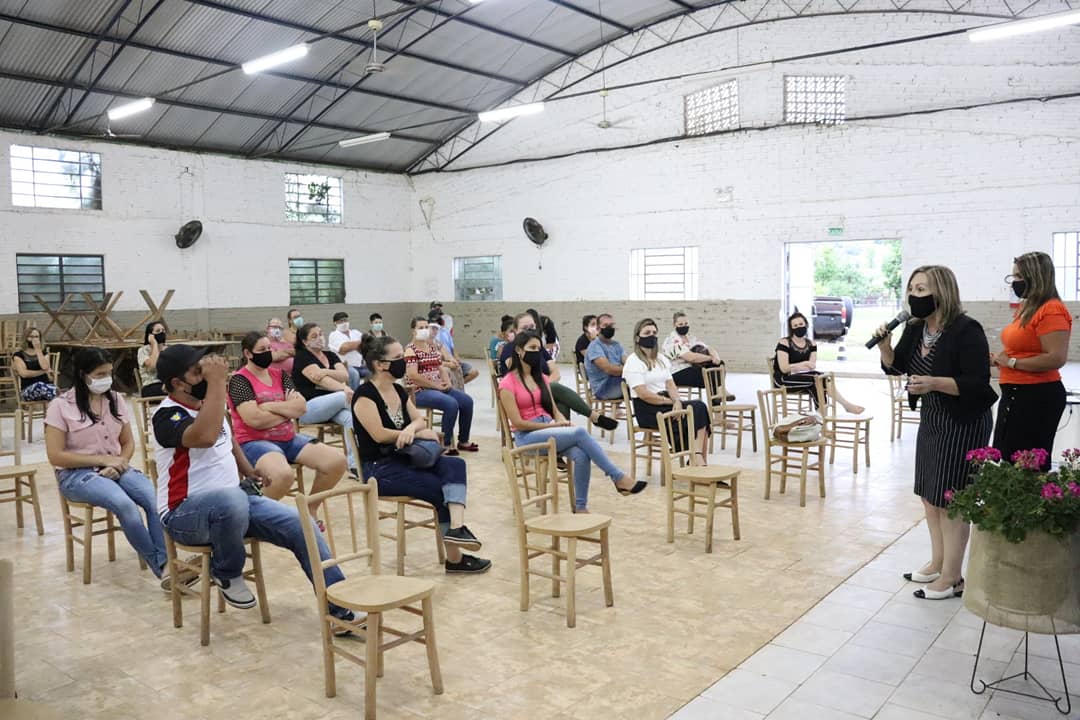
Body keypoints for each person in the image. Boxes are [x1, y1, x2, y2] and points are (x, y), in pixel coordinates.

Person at [152, 344, 366, 629]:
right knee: (232, 499)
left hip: (232, 508)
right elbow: (204, 436)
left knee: (301, 524)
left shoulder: (211, 406)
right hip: (184, 513)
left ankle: (339, 611)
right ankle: (226, 571)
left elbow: (229, 440)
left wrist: (248, 470)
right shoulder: (166, 416)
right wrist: (217, 383)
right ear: (178, 383)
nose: (207, 373)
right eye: (198, 371)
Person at [875, 265, 997, 600]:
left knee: (951, 498)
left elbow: (977, 382)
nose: (914, 296)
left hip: (964, 420)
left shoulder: (965, 329)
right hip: (933, 417)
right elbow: (897, 365)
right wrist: (886, 346)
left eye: (921, 289)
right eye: (911, 290)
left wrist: (933, 383)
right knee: (930, 495)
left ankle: (953, 578)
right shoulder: (915, 328)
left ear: (941, 292)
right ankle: (939, 562)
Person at [353, 335, 490, 574]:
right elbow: (378, 434)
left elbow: (417, 419)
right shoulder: (365, 395)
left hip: (405, 456)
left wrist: (411, 429)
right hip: (379, 468)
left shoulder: (398, 389)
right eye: (398, 358)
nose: (404, 362)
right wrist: (414, 434)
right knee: (441, 489)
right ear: (379, 364)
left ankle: (458, 528)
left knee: (455, 465)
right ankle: (455, 559)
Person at [45, 347, 169, 586]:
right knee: (124, 504)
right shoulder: (60, 406)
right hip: (77, 475)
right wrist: (102, 461)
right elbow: (56, 456)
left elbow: (127, 442)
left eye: (109, 374)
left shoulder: (115, 399)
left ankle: (167, 561)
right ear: (83, 374)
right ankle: (163, 567)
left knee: (154, 499)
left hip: (117, 467)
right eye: (100, 374)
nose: (107, 380)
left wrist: (120, 462)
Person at [499, 332, 643, 513]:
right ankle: (618, 477)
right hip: (527, 437)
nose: (537, 352)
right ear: (519, 351)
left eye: (539, 348)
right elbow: (518, 423)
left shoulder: (541, 378)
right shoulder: (507, 384)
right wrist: (551, 426)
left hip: (548, 429)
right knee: (581, 433)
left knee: (581, 455)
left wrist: (562, 422)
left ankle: (581, 507)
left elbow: (554, 409)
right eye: (532, 348)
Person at [228, 332, 346, 515]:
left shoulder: (280, 375)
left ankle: (310, 510)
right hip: (254, 441)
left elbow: (301, 407)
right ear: (248, 353)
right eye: (262, 350)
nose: (267, 352)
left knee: (336, 462)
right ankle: (255, 515)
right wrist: (286, 411)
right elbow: (254, 420)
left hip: (288, 438)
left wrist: (270, 407)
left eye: (269, 348)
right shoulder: (240, 380)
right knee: (282, 475)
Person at [991, 251, 1071, 470]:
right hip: (1015, 393)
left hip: (1036, 396)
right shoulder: (1028, 308)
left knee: (1026, 468)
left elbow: (1056, 357)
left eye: (1019, 277)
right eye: (1013, 277)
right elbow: (1022, 350)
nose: (1014, 283)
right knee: (1008, 460)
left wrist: (1013, 363)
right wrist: (1000, 360)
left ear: (1036, 277)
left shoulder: (1051, 309)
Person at [500, 313, 618, 430]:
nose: (529, 330)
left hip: (545, 394)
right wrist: (542, 386)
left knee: (561, 401)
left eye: (532, 327)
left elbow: (556, 373)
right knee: (555, 387)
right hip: (525, 398)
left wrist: (543, 387)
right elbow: (518, 373)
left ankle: (562, 436)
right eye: (525, 328)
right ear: (515, 331)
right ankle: (592, 417)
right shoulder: (511, 349)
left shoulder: (539, 348)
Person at [623, 318, 712, 466]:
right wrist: (671, 402)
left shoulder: (661, 358)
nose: (651, 336)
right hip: (648, 408)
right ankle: (697, 461)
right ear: (638, 338)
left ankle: (697, 459)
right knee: (696, 409)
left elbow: (670, 384)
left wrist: (677, 400)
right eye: (647, 333)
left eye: (654, 333)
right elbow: (643, 394)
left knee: (699, 407)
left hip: (665, 403)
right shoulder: (633, 361)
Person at [290, 323, 357, 474]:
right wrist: (344, 387)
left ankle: (354, 465)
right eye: (314, 336)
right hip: (308, 408)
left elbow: (344, 375)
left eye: (321, 333)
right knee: (345, 397)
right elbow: (319, 380)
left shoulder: (331, 355)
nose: (320, 338)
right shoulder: (302, 356)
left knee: (351, 418)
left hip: (332, 406)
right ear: (305, 341)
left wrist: (325, 370)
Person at [405, 317, 477, 455]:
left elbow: (440, 367)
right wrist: (436, 386)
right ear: (413, 331)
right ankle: (445, 443)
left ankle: (463, 440)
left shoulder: (431, 347)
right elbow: (413, 375)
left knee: (467, 401)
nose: (425, 330)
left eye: (426, 327)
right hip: (420, 391)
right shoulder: (410, 350)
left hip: (438, 387)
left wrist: (447, 383)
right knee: (450, 404)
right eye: (420, 328)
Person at [773, 312, 864, 414]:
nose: (799, 327)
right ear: (791, 329)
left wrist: (799, 366)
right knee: (817, 378)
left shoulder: (811, 344)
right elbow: (784, 368)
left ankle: (821, 417)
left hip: (803, 379)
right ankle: (845, 405)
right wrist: (802, 364)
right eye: (795, 326)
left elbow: (812, 365)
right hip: (783, 380)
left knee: (817, 381)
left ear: (806, 325)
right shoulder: (784, 342)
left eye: (801, 324)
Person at [663, 312, 731, 399]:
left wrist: (716, 357)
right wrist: (711, 358)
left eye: (686, 323)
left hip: (692, 368)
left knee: (719, 364)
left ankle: (720, 391)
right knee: (710, 375)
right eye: (680, 324)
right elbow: (691, 357)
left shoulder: (690, 337)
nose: (684, 326)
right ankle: (717, 401)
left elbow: (708, 347)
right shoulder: (672, 340)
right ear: (674, 324)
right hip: (677, 372)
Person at [429, 309, 477, 385]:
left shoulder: (446, 331)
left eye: (441, 316)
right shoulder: (430, 335)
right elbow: (435, 358)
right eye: (438, 317)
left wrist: (456, 358)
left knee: (473, 372)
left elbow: (452, 347)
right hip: (441, 362)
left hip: (450, 359)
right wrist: (448, 363)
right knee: (448, 371)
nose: (440, 318)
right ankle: (453, 385)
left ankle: (456, 384)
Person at [585, 313, 626, 401]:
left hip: (618, 381)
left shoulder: (617, 345)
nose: (609, 328)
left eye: (611, 325)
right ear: (598, 329)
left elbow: (627, 361)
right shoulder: (595, 346)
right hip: (603, 389)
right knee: (637, 382)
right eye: (605, 325)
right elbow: (609, 369)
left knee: (643, 381)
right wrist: (629, 370)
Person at [12, 327, 57, 402]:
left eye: (36, 337)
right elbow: (24, 374)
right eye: (31, 336)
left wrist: (38, 350)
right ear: (26, 338)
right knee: (39, 385)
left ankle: (57, 404)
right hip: (28, 390)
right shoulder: (19, 355)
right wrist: (43, 372)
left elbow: (45, 366)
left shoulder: (44, 353)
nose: (34, 339)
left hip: (46, 387)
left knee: (48, 388)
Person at [327, 311, 367, 388]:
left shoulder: (356, 332)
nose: (344, 323)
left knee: (374, 372)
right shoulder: (333, 335)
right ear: (335, 323)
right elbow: (343, 349)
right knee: (354, 374)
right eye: (341, 321)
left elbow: (366, 345)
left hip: (360, 365)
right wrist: (360, 343)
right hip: (344, 366)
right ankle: (353, 396)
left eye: (345, 320)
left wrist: (352, 346)